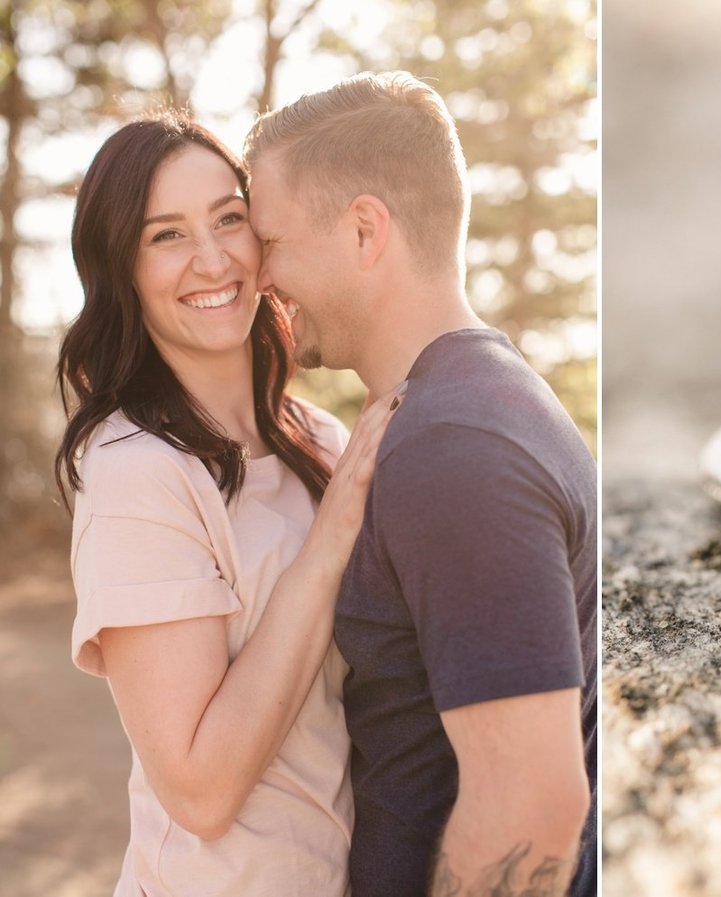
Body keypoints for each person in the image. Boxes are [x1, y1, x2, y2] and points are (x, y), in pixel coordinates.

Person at [244, 72, 597, 897]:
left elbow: (532, 809)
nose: (260, 277)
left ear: (366, 229)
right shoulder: (459, 407)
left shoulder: (455, 450)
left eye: (274, 241)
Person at [55, 111, 396, 897]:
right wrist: (333, 535)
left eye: (229, 219)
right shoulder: (136, 470)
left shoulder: (320, 439)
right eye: (165, 235)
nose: (212, 259)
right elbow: (200, 791)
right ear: (123, 267)